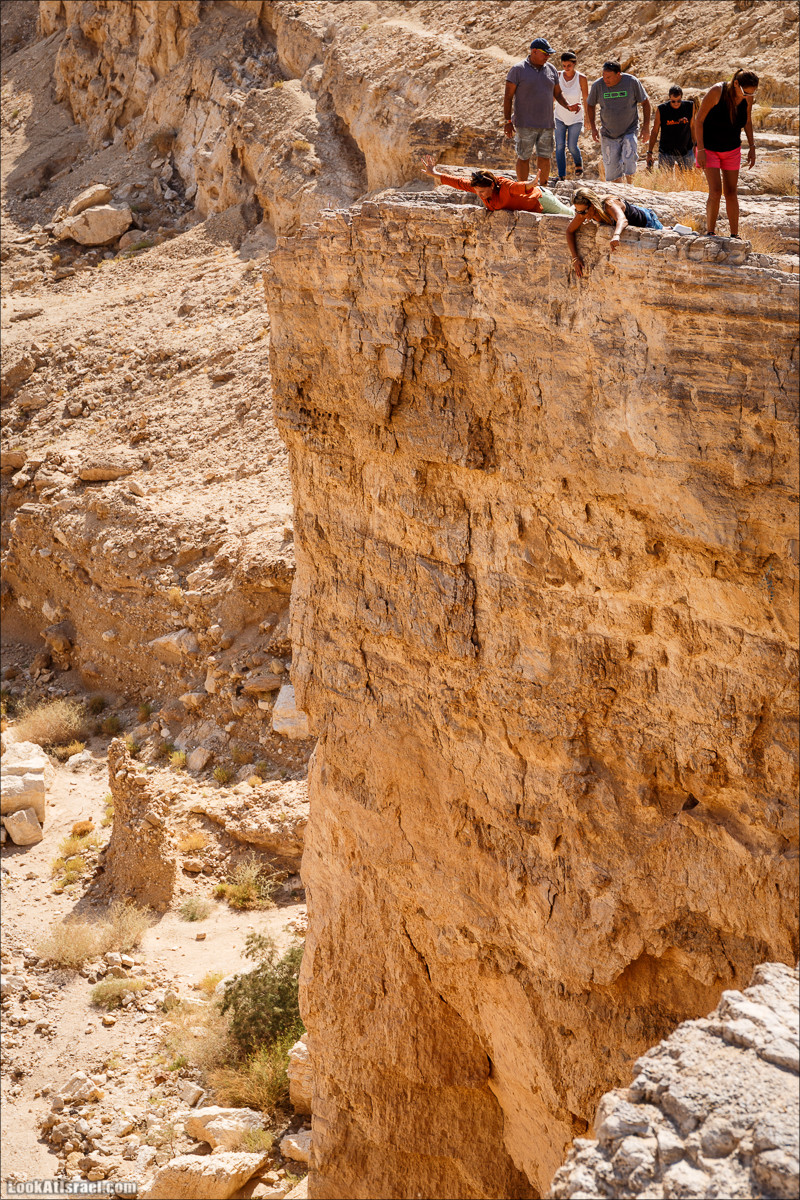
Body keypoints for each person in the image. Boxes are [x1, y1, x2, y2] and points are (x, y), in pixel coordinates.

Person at [503, 38, 582, 186]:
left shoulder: (551, 69)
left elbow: (558, 94)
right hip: (524, 123)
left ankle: (544, 188)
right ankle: (523, 188)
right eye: (545, 54)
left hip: (547, 124)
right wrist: (507, 121)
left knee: (545, 157)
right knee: (523, 156)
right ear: (534, 52)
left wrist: (568, 106)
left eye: (549, 54)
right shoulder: (518, 70)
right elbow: (508, 97)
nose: (548, 57)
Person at [694, 69, 758, 238]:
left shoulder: (747, 97)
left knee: (731, 192)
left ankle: (734, 235)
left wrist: (752, 146)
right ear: (736, 83)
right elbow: (698, 120)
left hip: (732, 149)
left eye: (752, 93)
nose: (748, 96)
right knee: (715, 191)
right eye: (745, 92)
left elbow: (748, 121)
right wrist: (700, 149)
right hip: (709, 148)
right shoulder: (717, 91)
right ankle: (710, 232)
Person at [419, 155, 575, 216]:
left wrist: (530, 184)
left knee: (569, 214)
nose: (479, 195)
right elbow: (458, 182)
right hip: (531, 204)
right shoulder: (478, 186)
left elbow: (516, 187)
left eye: (482, 191)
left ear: (492, 185)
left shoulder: (504, 185)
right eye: (477, 191)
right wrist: (434, 173)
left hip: (540, 200)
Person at [565, 186, 663, 277]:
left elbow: (622, 220)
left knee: (664, 235)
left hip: (647, 221)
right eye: (578, 211)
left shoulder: (609, 204)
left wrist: (616, 235)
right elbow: (569, 231)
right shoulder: (583, 212)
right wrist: (575, 258)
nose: (581, 215)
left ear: (592, 205)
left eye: (583, 212)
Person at [587, 61, 651, 182]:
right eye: (603, 76)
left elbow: (645, 102)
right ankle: (619, 193)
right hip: (608, 133)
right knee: (612, 169)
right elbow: (590, 105)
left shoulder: (631, 82)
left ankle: (631, 188)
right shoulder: (598, 85)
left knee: (629, 157)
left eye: (609, 77)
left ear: (618, 74)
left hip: (629, 129)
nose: (605, 80)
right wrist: (593, 128)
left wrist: (646, 127)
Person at [555, 50, 589, 181]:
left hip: (576, 117)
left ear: (574, 64)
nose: (566, 68)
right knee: (559, 146)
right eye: (563, 66)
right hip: (559, 116)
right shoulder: (557, 75)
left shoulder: (581, 78)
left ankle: (578, 162)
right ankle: (561, 175)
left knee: (572, 146)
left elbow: (586, 99)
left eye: (568, 65)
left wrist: (587, 119)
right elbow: (554, 96)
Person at [647, 86, 695, 171]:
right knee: (665, 180)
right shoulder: (662, 109)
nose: (676, 103)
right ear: (669, 98)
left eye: (679, 101)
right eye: (673, 101)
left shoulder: (689, 106)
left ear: (682, 98)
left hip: (686, 151)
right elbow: (655, 131)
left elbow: (692, 126)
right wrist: (649, 152)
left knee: (687, 179)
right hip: (666, 152)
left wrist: (696, 145)